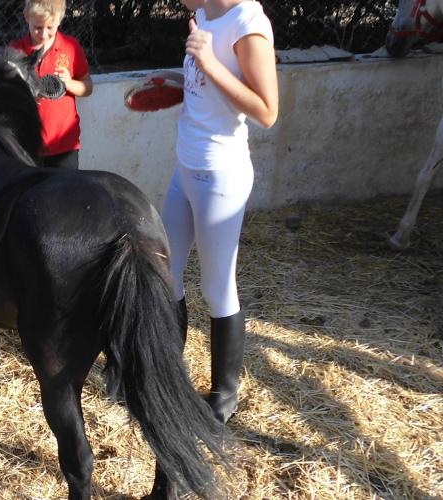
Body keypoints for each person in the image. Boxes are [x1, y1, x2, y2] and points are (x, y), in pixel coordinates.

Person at [158, 0, 279, 424]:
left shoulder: (247, 22)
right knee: (164, 276)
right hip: (184, 167)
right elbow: (211, 92)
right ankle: (166, 378)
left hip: (220, 174)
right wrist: (175, 82)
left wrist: (209, 62)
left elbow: (266, 110)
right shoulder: (206, 15)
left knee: (216, 288)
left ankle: (224, 396)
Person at [10, 0, 93, 170]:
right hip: (26, 144)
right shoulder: (15, 51)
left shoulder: (70, 48)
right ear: (27, 17)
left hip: (64, 144)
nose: (43, 34)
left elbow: (88, 87)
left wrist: (69, 83)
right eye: (38, 27)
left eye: (50, 27)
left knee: (66, 194)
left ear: (60, 20)